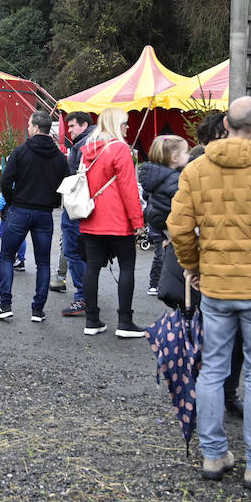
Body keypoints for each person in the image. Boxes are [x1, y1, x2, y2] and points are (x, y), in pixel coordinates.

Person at [168, 96, 251, 490]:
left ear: (225, 123)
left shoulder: (196, 169)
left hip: (216, 286)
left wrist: (194, 267)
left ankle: (214, 455)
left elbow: (178, 228)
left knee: (212, 369)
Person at [75, 108, 147, 337]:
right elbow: (128, 189)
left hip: (91, 218)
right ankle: (125, 322)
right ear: (117, 124)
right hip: (117, 220)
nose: (128, 127)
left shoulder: (86, 150)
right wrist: (138, 223)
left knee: (92, 267)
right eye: (125, 123)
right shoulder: (120, 149)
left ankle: (92, 320)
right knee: (126, 267)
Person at [0, 110, 69, 322]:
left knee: (7, 256)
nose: (27, 128)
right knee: (43, 262)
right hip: (44, 213)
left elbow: (5, 181)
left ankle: (5, 304)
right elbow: (67, 184)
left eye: (28, 125)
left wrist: (10, 201)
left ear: (35, 128)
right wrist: (52, 201)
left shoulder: (21, 151)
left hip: (20, 210)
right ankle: (38, 309)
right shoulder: (59, 157)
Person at [139, 134, 190, 296]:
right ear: (174, 158)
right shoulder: (175, 180)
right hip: (171, 228)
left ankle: (159, 285)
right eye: (186, 153)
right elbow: (181, 206)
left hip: (159, 227)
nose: (189, 156)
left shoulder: (157, 177)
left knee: (163, 258)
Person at [59, 112, 96, 316]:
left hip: (78, 205)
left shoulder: (84, 146)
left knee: (73, 251)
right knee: (88, 253)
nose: (69, 130)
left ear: (84, 125)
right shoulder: (96, 140)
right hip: (91, 205)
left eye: (72, 126)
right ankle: (89, 294)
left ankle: (83, 296)